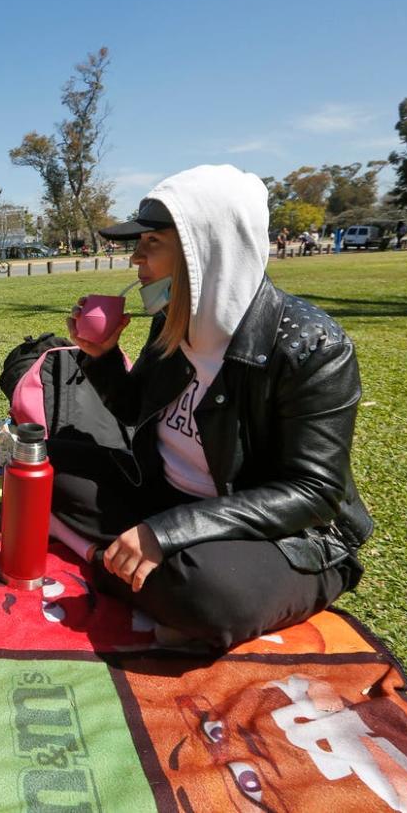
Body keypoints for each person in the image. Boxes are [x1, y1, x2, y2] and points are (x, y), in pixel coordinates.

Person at [48, 164, 371, 650]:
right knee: (45, 467)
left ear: (207, 252)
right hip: (168, 498)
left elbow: (314, 492)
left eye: (152, 243)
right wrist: (104, 357)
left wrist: (171, 531)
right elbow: (136, 409)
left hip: (279, 536)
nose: (135, 258)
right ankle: (129, 561)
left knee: (209, 595)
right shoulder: (175, 324)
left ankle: (122, 561)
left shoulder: (310, 346)